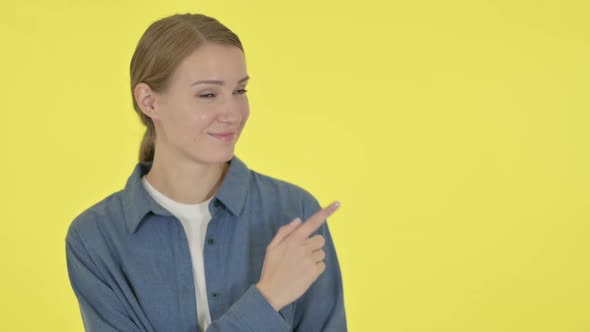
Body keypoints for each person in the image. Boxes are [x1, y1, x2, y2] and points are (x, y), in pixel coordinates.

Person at [65, 13, 347, 332]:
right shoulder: (95, 238)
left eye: (240, 91)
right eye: (208, 94)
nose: (234, 113)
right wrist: (267, 300)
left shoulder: (294, 213)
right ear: (149, 101)